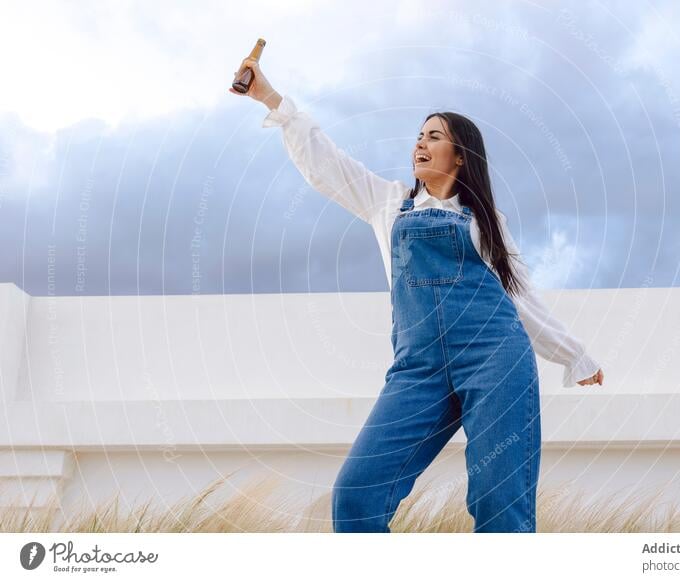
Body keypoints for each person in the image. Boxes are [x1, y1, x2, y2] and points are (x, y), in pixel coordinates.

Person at [230, 56, 604, 533]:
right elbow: (325, 163)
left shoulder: (486, 223)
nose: (420, 143)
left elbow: (521, 297)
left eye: (434, 136)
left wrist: (574, 356)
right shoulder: (388, 204)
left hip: (496, 361)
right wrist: (271, 99)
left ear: (461, 155)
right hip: (418, 370)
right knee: (356, 495)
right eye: (419, 136)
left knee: (499, 505)